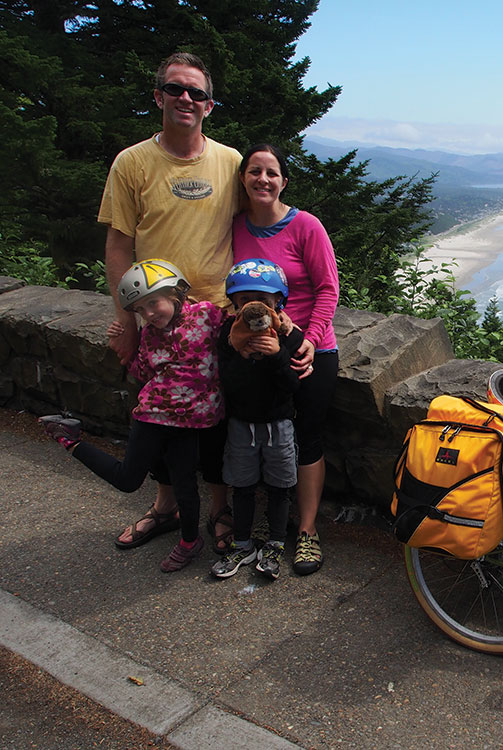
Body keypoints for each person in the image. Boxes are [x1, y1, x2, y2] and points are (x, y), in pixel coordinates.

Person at [98, 51, 242, 553]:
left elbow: (256, 225)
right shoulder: (132, 162)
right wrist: (128, 318)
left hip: (217, 316)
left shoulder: (230, 161)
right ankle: (166, 507)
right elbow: (118, 244)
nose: (186, 98)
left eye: (196, 92)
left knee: (217, 420)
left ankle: (219, 508)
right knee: (157, 415)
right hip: (156, 319)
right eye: (176, 89)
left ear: (209, 106)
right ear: (158, 96)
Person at [40, 260, 225, 572]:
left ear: (176, 293)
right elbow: (143, 371)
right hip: (151, 417)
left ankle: (190, 542)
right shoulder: (150, 334)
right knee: (128, 480)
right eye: (141, 309)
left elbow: (238, 328)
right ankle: (69, 439)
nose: (150, 313)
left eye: (154, 302)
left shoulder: (206, 314)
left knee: (185, 486)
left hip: (189, 422)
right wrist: (119, 344)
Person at [232, 144, 339, 576]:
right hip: (255, 348)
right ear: (243, 179)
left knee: (306, 437)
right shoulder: (235, 226)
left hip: (309, 347)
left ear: (283, 182)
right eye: (254, 171)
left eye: (271, 173)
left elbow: (328, 288)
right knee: (255, 428)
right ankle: (262, 521)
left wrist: (309, 340)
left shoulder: (306, 226)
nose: (263, 179)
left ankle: (308, 531)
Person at [211, 260, 304, 580]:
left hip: (278, 423)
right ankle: (243, 543)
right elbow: (227, 382)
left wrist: (277, 354)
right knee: (243, 486)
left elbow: (293, 386)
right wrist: (240, 353)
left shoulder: (289, 335)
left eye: (263, 301)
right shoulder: (228, 334)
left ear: (278, 302)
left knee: (280, 487)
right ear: (235, 305)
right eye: (244, 300)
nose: (255, 307)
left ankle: (275, 543)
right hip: (241, 424)